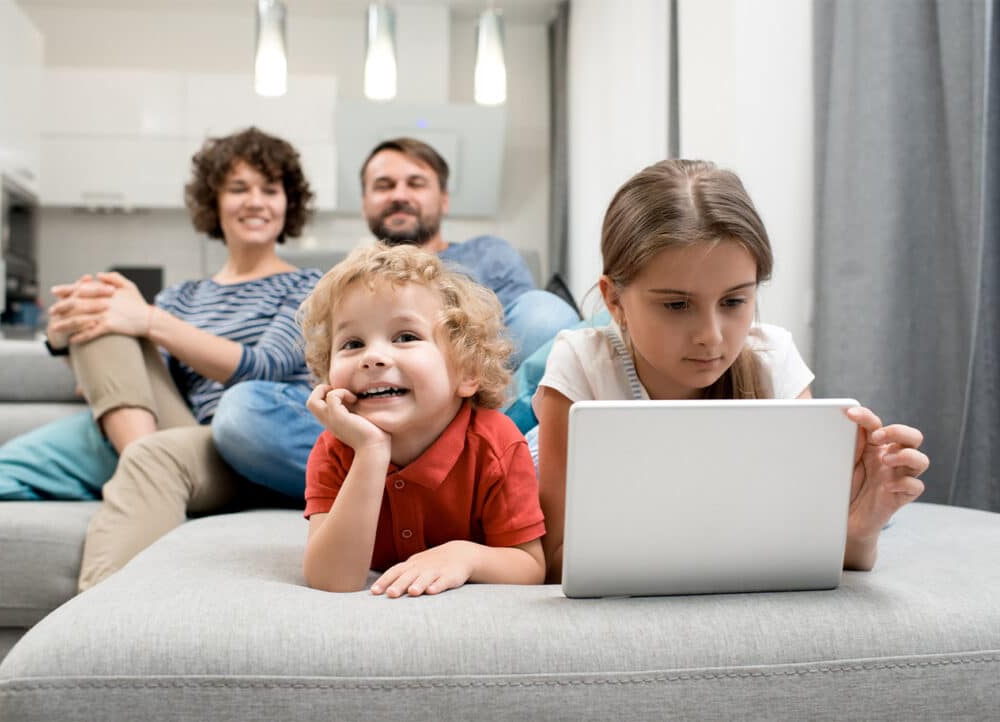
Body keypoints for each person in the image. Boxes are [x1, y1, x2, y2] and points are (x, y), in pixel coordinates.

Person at [533, 159, 930, 583]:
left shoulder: (772, 358)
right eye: (677, 305)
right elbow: (557, 562)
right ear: (614, 302)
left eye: (734, 302)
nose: (712, 336)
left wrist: (859, 528)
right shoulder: (579, 366)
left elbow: (833, 555)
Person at [0, 126, 322, 591]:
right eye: (238, 188)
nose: (255, 201)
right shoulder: (182, 297)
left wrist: (149, 320)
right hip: (184, 432)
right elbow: (126, 379)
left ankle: (99, 610)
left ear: (289, 203)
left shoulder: (307, 286)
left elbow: (262, 368)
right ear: (214, 202)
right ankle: (141, 456)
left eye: (270, 189)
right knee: (101, 300)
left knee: (122, 315)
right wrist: (65, 339)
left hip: (252, 445)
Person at [213, 137, 581, 496]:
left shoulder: (489, 254)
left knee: (545, 314)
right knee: (240, 413)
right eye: (384, 185)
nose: (399, 194)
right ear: (365, 204)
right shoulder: (348, 278)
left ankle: (483, 466)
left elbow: (517, 353)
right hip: (378, 416)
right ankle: (396, 475)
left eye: (415, 183)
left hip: (479, 413)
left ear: (444, 199)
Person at [299, 244, 546, 596]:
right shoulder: (335, 449)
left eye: (405, 337)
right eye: (352, 343)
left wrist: (465, 556)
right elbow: (333, 580)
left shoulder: (497, 444)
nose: (372, 357)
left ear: (467, 371)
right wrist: (370, 451)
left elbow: (531, 567)